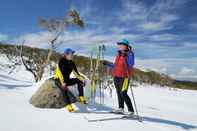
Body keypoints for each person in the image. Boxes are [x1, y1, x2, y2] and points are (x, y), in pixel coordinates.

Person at [104, 39, 135, 116]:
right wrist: (108, 64)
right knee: (118, 93)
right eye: (119, 45)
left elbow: (131, 64)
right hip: (116, 76)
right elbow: (115, 65)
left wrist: (127, 55)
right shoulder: (119, 54)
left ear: (126, 46)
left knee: (123, 93)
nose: (119, 46)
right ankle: (120, 108)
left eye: (121, 45)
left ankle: (131, 111)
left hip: (125, 77)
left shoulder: (130, 53)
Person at [53, 48, 86, 112]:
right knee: (64, 89)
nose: (72, 55)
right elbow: (59, 72)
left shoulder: (72, 63)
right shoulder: (61, 61)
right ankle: (68, 105)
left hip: (67, 80)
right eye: (71, 54)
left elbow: (76, 73)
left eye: (72, 54)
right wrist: (62, 82)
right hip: (59, 79)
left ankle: (81, 97)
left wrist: (82, 79)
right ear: (66, 55)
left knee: (78, 81)